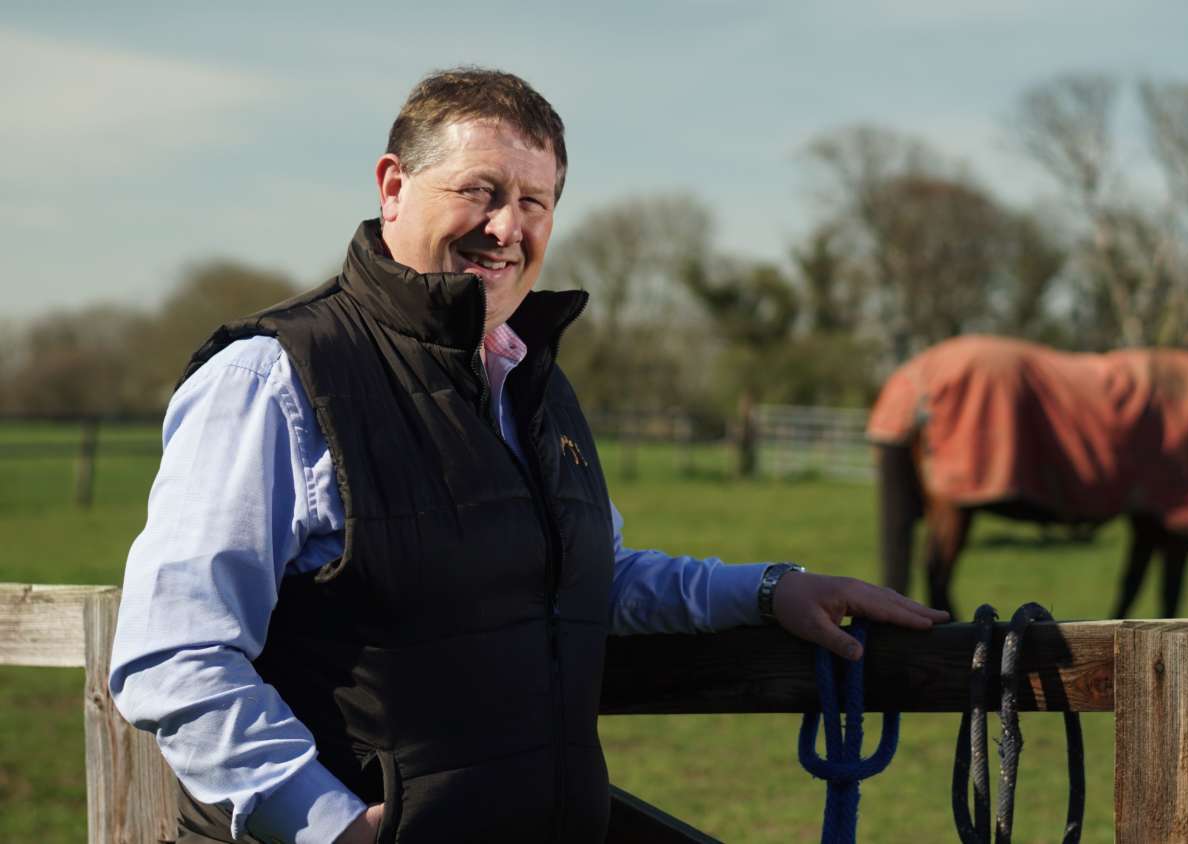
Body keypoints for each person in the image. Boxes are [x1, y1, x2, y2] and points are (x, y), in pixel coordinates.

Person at [109, 67, 948, 844]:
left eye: (534, 201)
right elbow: (174, 655)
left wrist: (770, 590)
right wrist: (330, 826)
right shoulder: (274, 378)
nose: (507, 227)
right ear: (393, 187)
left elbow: (585, 580)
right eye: (480, 190)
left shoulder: (528, 378)